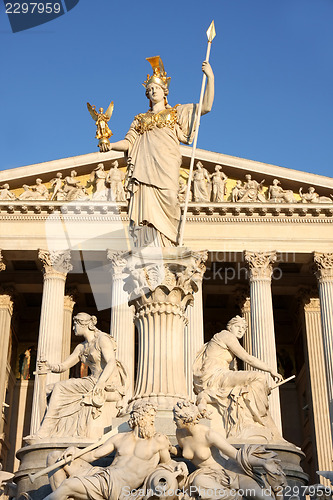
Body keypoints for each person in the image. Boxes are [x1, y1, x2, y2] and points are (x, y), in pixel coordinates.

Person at [108, 56, 214, 247]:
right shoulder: (140, 119)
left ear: (165, 91)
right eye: (148, 90)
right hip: (144, 171)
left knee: (171, 200)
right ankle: (149, 249)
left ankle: (168, 245)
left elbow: (205, 107)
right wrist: (109, 145)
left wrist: (210, 77)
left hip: (167, 168)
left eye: (155, 88)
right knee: (145, 217)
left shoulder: (176, 113)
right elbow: (128, 142)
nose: (151, 91)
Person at [44, 401, 175, 500]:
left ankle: (62, 494)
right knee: (55, 457)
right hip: (103, 475)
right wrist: (76, 450)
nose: (153, 420)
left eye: (154, 416)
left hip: (116, 486)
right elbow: (93, 455)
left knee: (68, 485)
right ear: (139, 417)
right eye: (150, 416)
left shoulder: (158, 441)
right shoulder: (119, 438)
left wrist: (179, 464)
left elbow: (167, 464)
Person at [33, 313, 128, 439]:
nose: (73, 328)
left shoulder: (102, 339)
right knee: (47, 390)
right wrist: (48, 366)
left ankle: (46, 430)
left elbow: (111, 362)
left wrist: (101, 383)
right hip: (91, 380)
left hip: (106, 383)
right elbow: (64, 366)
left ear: (84, 324)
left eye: (75, 324)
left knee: (61, 387)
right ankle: (51, 431)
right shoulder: (81, 347)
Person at [193, 316, 285, 443]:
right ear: (229, 327)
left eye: (243, 328)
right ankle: (260, 418)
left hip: (220, 375)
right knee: (259, 377)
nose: (241, 330)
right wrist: (270, 370)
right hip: (216, 376)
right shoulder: (226, 335)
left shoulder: (225, 343)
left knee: (253, 385)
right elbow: (247, 358)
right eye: (238, 326)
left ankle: (256, 418)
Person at [171, 401, 286, 500]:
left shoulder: (208, 434)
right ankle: (236, 497)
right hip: (206, 475)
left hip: (230, 473)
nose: (173, 421)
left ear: (187, 419)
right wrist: (171, 450)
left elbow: (236, 454)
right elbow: (185, 452)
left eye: (176, 418)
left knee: (264, 498)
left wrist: (262, 462)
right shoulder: (180, 433)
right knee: (199, 481)